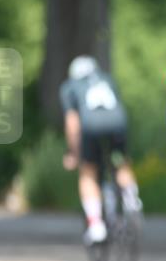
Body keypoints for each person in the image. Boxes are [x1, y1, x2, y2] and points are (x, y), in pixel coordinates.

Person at [60, 55, 141, 244]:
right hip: (117, 124)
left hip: (91, 127)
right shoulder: (107, 79)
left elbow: (72, 123)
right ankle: (131, 199)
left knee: (88, 172)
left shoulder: (70, 86)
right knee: (120, 164)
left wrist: (73, 152)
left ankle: (96, 225)